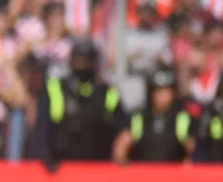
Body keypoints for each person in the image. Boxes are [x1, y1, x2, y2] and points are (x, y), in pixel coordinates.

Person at [35, 38, 125, 168]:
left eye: (86, 61)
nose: (82, 65)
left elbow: (123, 127)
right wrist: (45, 158)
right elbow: (42, 128)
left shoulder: (107, 92)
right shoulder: (57, 88)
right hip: (62, 167)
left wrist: (122, 144)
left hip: (98, 168)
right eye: (78, 61)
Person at [113, 67, 194, 164]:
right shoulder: (139, 117)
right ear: (151, 93)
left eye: (166, 91)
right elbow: (120, 149)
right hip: (142, 175)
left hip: (173, 176)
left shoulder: (182, 118)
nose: (163, 96)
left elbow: (191, 152)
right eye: (158, 91)